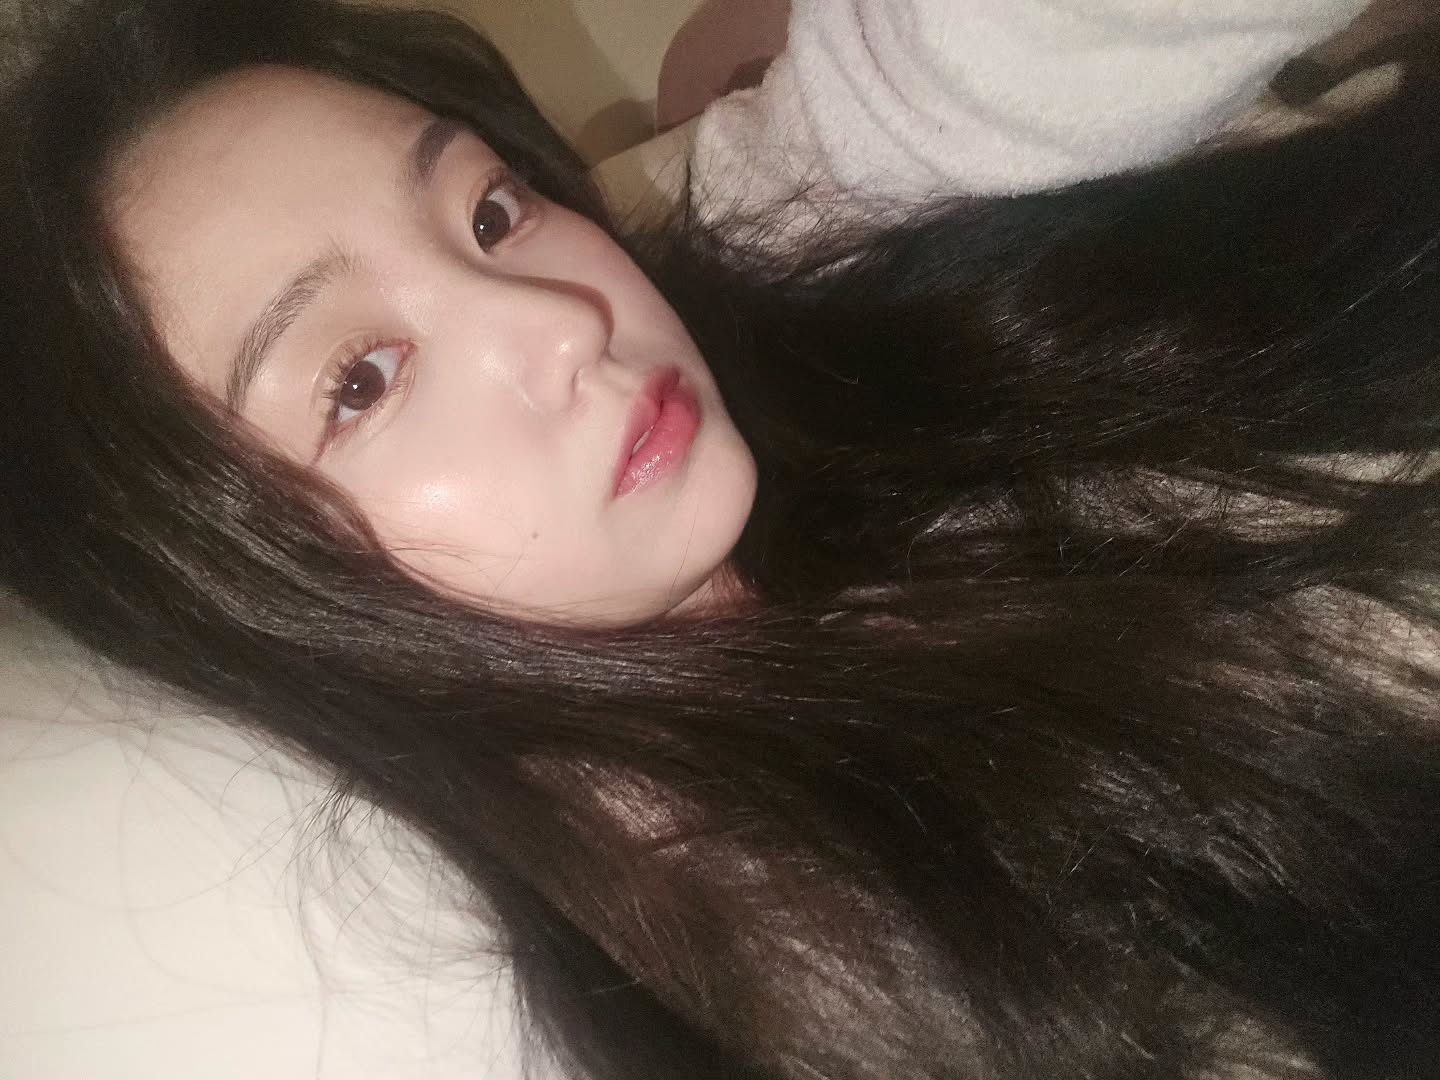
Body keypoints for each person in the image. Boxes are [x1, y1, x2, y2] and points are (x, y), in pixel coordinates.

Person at [3, 0, 1440, 1078]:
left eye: (490, 210)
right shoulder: (758, 964)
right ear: (227, 588)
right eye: (359, 382)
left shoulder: (785, 291)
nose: (559, 323)